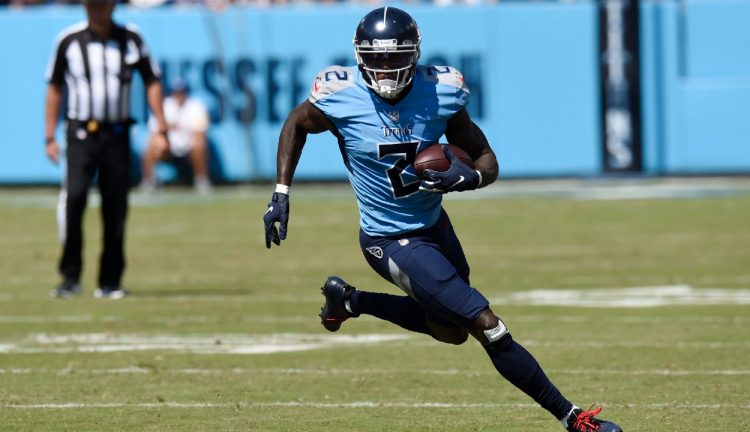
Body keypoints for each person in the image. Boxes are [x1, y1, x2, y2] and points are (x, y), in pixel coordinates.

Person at [263, 7, 623, 432]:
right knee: (488, 326)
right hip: (389, 239)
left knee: (450, 331)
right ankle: (573, 418)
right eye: (375, 59)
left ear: (414, 55)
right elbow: (296, 123)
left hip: (435, 228)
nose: (385, 68)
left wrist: (467, 177)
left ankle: (350, 301)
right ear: (360, 57)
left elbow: (487, 160)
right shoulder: (340, 96)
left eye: (395, 57)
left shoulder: (442, 93)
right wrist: (281, 191)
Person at [45, 0, 170, 299]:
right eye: (90, 5)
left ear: (112, 6)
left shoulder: (131, 38)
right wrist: (49, 135)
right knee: (74, 199)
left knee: (115, 206)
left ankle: (110, 281)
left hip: (116, 133)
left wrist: (161, 127)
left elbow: (152, 80)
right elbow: (54, 87)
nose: (95, 10)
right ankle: (70, 277)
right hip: (79, 133)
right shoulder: (69, 40)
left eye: (100, 5)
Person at [140, 76, 213, 195]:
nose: (179, 95)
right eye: (176, 92)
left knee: (199, 144)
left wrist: (175, 127)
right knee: (150, 144)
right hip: (168, 147)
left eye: (181, 91)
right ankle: (149, 180)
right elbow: (154, 130)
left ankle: (201, 180)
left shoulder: (196, 106)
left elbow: (201, 131)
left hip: (189, 147)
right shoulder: (164, 105)